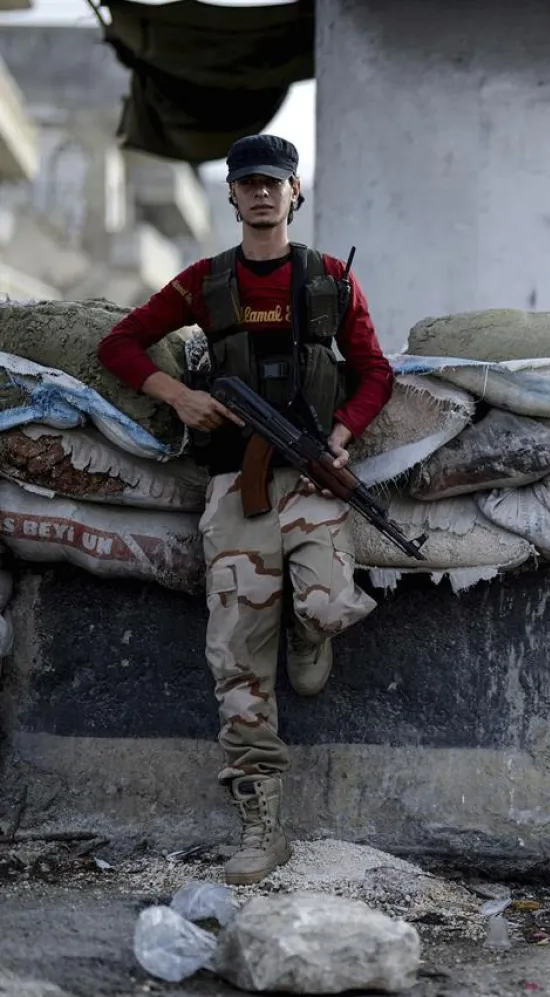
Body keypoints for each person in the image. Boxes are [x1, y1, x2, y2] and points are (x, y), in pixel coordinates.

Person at [97, 134, 394, 884]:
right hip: (237, 483)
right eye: (249, 183)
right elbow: (121, 344)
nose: (262, 194)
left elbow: (375, 372)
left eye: (275, 183)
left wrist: (341, 435)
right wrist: (180, 396)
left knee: (332, 605)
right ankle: (263, 823)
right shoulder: (204, 282)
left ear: (296, 193)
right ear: (232, 195)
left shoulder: (330, 279)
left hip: (313, 475)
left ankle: (306, 623)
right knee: (235, 656)